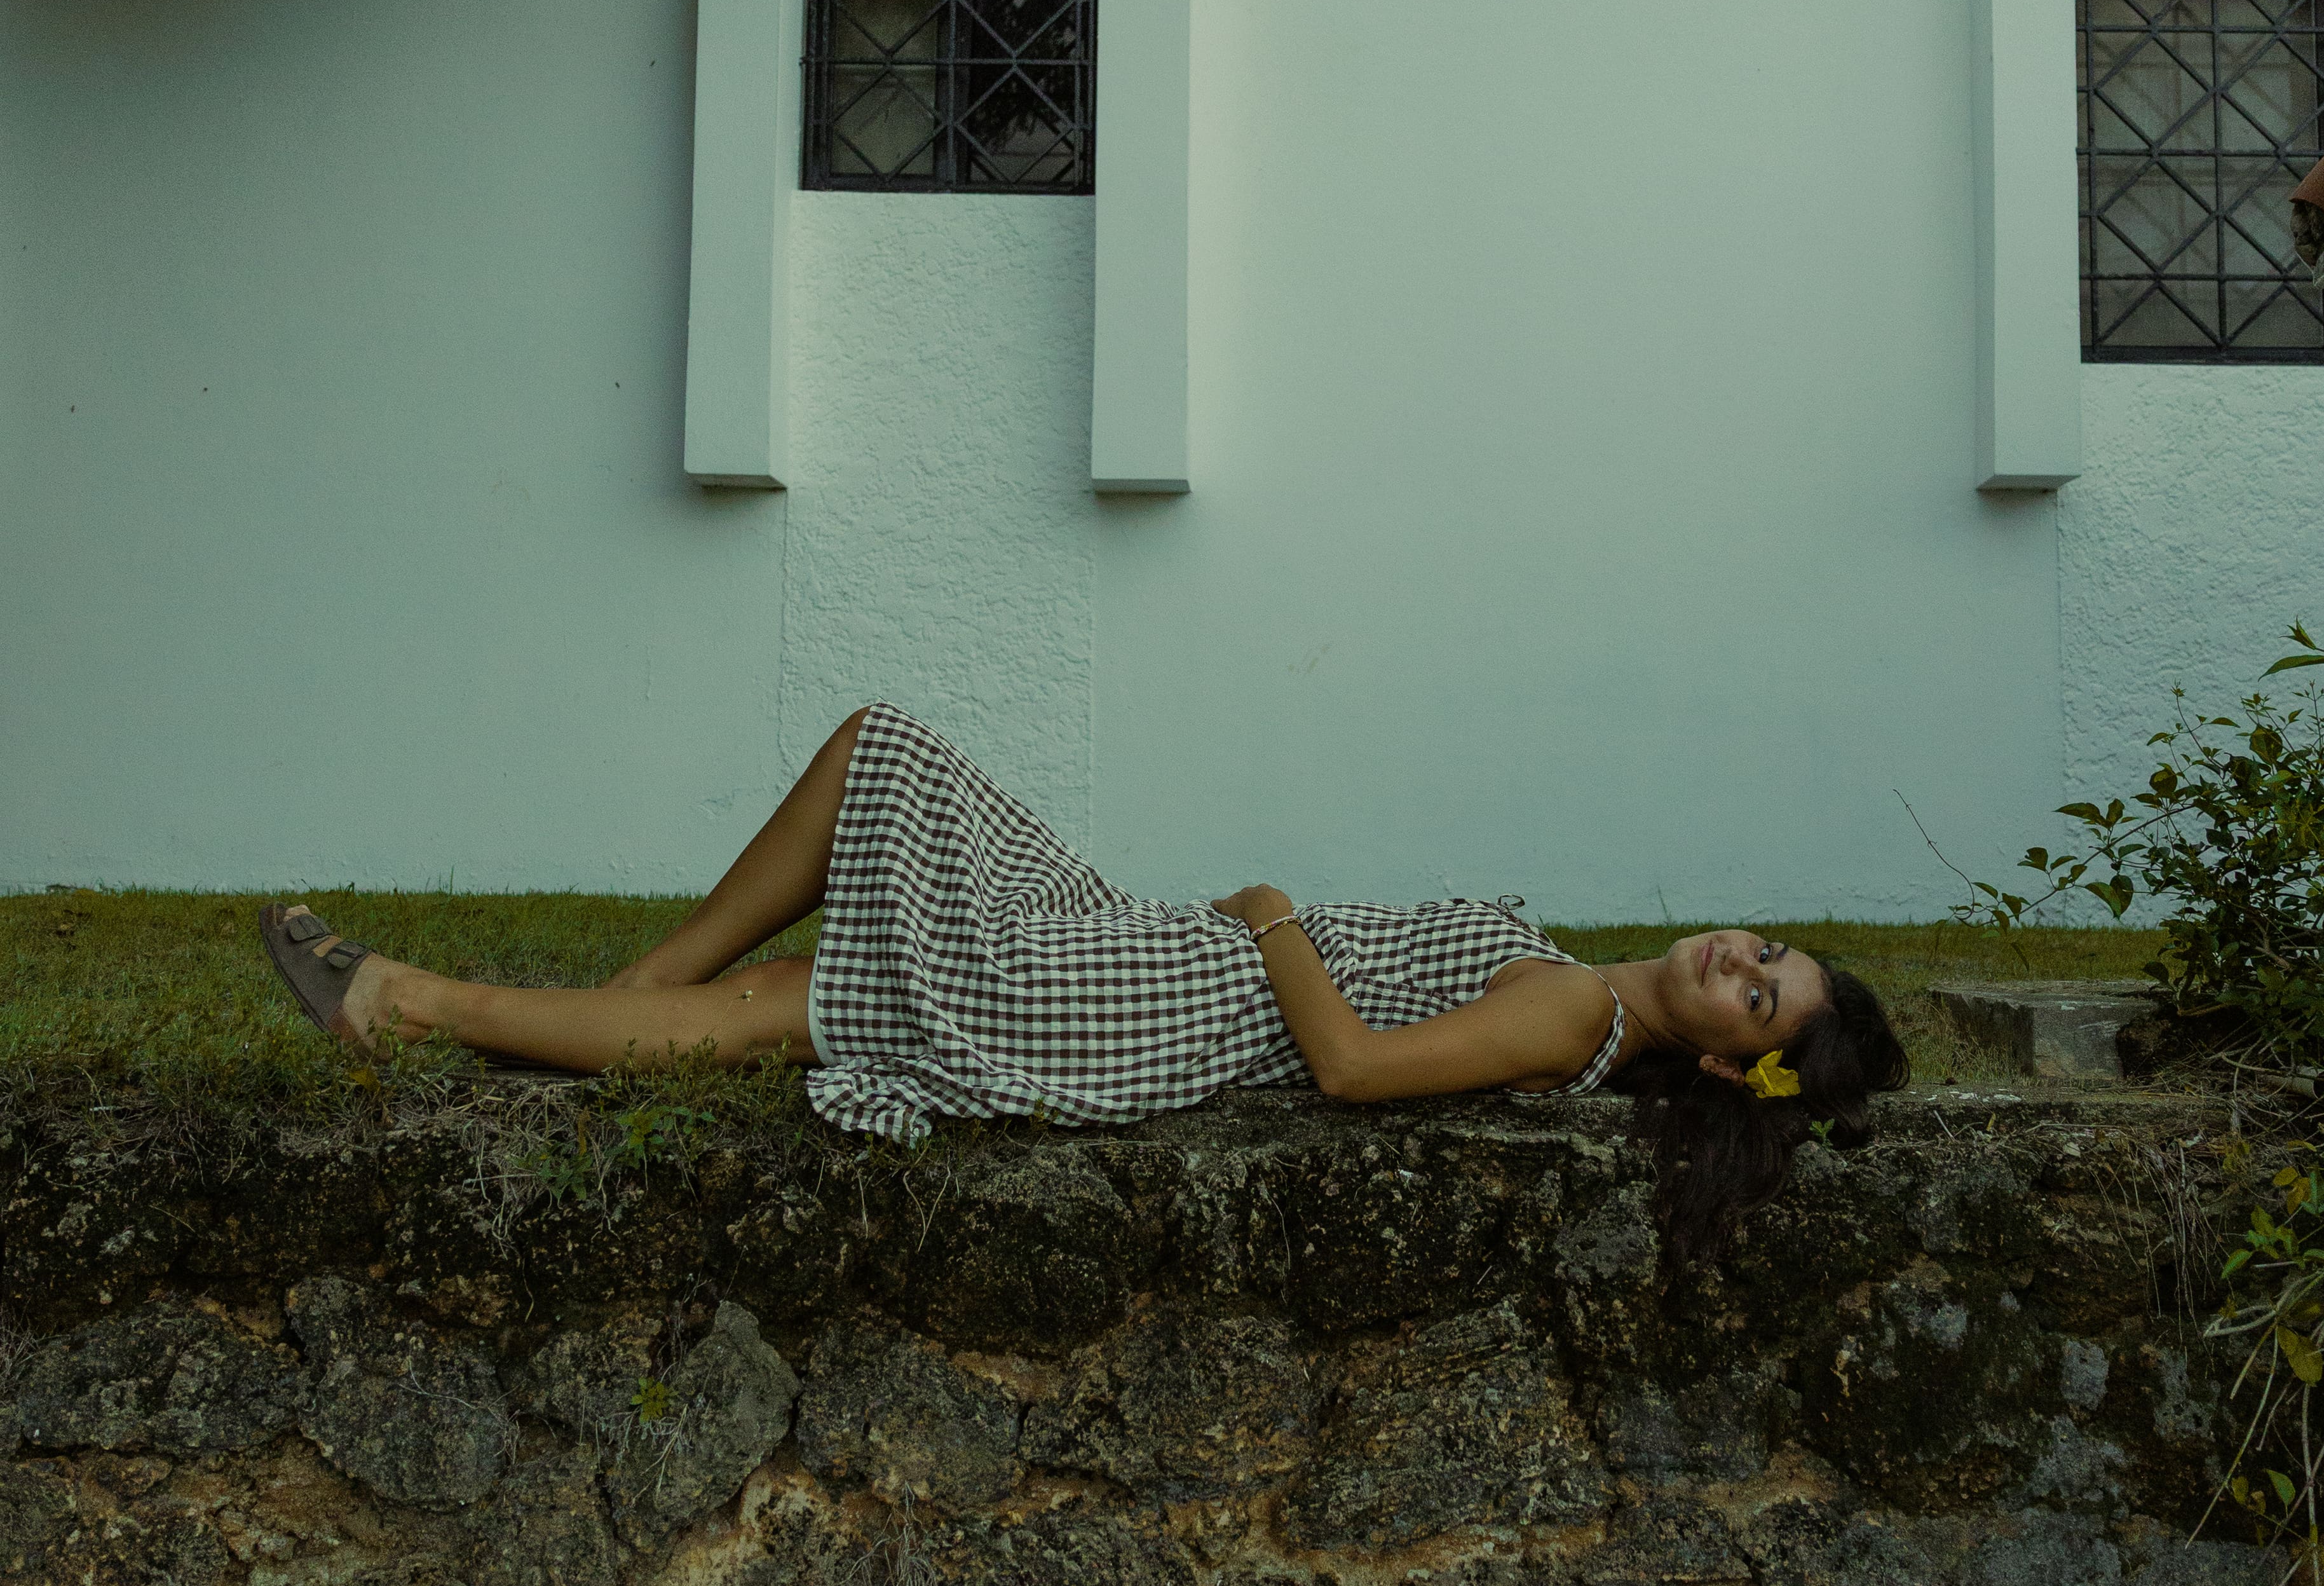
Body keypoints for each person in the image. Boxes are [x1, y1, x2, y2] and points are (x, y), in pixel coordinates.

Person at [261, 702, 1907, 1263]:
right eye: (1766, 953)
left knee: (878, 765)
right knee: (810, 998)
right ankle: (427, 1008)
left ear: (1715, 1065)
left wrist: (1273, 917)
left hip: (1168, 1002)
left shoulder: (1575, 1017)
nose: (1739, 963)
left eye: (1759, 1001)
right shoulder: (1582, 983)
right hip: (1155, 979)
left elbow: (1345, 1070)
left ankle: (428, 1004)